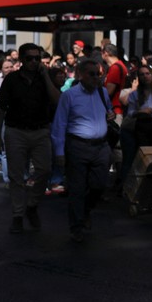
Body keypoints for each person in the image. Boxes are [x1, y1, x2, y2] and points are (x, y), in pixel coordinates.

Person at [0, 43, 60, 234]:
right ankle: (17, 215)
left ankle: (32, 205)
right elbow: (1, 109)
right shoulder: (12, 79)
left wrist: (46, 75)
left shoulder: (45, 78)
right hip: (16, 131)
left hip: (40, 131)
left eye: (37, 58)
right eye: (29, 58)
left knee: (45, 170)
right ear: (21, 60)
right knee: (16, 177)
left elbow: (57, 100)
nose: (34, 62)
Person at [51, 59, 113, 242]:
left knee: (99, 185)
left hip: (101, 146)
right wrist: (60, 152)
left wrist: (111, 115)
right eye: (91, 74)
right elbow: (59, 124)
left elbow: (108, 111)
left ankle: (85, 210)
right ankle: (76, 226)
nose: (96, 78)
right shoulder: (69, 96)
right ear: (80, 74)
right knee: (77, 189)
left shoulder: (102, 93)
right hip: (78, 146)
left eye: (98, 74)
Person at [102, 45, 128, 124]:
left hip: (114, 112)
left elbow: (109, 92)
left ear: (106, 53)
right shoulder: (120, 65)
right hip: (116, 110)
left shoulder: (115, 68)